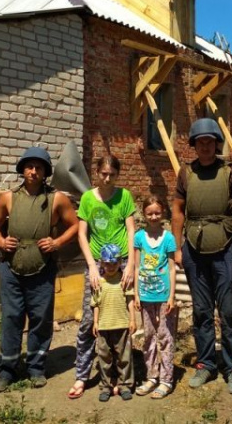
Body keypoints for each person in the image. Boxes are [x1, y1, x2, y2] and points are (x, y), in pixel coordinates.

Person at [171, 118, 232, 395]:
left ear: (216, 143)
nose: (205, 145)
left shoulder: (230, 172)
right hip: (195, 251)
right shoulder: (185, 173)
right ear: (194, 144)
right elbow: (178, 212)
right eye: (200, 141)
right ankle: (206, 363)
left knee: (229, 313)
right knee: (201, 311)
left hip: (226, 249)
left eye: (210, 140)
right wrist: (177, 247)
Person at [0, 147, 79, 392]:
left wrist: (57, 242)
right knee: (11, 318)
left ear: (46, 172)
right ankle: (7, 369)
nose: (33, 171)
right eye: (29, 166)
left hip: (43, 269)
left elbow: (75, 226)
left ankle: (36, 367)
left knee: (41, 319)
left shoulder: (57, 198)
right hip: (11, 268)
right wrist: (0, 241)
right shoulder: (8, 197)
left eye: (39, 167)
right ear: (22, 169)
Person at [68, 155, 137, 400]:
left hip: (122, 263)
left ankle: (119, 377)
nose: (107, 178)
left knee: (121, 318)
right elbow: (81, 234)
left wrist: (131, 266)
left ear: (118, 174)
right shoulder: (88, 198)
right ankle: (82, 374)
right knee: (90, 320)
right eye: (103, 174)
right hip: (97, 265)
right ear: (96, 172)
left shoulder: (124, 196)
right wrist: (92, 267)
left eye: (112, 175)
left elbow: (131, 230)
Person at [133, 196, 177, 400]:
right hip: (145, 295)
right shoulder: (139, 237)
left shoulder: (168, 238)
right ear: (144, 214)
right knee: (149, 337)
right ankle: (152, 375)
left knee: (165, 336)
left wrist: (172, 296)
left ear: (163, 214)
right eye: (149, 213)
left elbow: (171, 267)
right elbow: (135, 266)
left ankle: (166, 379)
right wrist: (135, 292)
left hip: (163, 296)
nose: (153, 216)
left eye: (157, 213)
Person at [92, 243, 136, 402]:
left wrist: (132, 319)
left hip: (122, 324)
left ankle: (125, 385)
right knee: (104, 358)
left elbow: (130, 300)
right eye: (107, 263)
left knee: (124, 357)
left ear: (120, 263)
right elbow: (95, 304)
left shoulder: (124, 280)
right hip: (104, 326)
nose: (111, 267)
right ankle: (106, 386)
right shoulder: (99, 282)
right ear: (102, 263)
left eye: (114, 263)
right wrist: (95, 322)